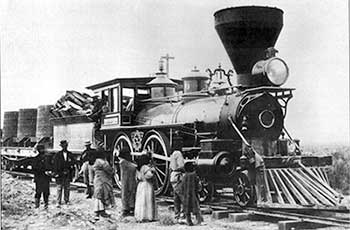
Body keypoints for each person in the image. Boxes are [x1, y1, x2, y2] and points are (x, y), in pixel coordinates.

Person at [93, 149, 115, 220]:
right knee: (102, 195)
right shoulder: (102, 162)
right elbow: (109, 170)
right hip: (103, 180)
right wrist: (113, 171)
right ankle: (99, 212)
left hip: (98, 180)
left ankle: (100, 211)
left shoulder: (96, 161)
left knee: (98, 195)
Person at [134, 154, 157, 222]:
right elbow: (148, 175)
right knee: (147, 200)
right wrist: (153, 170)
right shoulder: (145, 167)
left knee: (141, 200)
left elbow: (138, 177)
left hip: (140, 185)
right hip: (147, 185)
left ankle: (140, 215)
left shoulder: (139, 168)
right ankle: (148, 216)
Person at [53, 140, 76, 207]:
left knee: (67, 188)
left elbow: (73, 163)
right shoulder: (57, 155)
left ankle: (66, 200)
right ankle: (58, 202)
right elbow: (55, 165)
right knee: (59, 188)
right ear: (61, 146)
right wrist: (56, 173)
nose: (65, 147)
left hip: (67, 173)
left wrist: (71, 170)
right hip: (60, 174)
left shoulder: (70, 154)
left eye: (66, 145)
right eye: (63, 146)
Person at [181, 162, 202, 226]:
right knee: (196, 208)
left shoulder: (184, 176)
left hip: (186, 195)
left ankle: (188, 221)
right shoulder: (194, 175)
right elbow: (198, 186)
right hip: (193, 194)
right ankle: (199, 221)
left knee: (187, 209)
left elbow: (182, 186)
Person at [169, 137, 185, 222]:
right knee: (182, 196)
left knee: (176, 198)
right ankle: (183, 215)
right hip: (178, 176)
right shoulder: (178, 153)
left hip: (173, 176)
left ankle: (176, 215)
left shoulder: (173, 154)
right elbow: (181, 166)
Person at [118, 147, 137, 217]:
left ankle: (128, 207)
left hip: (127, 179)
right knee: (128, 192)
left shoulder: (124, 161)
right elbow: (133, 167)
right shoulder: (123, 162)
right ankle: (127, 208)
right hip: (127, 179)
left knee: (128, 192)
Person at [32, 144, 52, 209]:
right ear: (38, 150)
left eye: (43, 149)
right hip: (39, 178)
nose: (42, 150)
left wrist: (50, 171)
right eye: (41, 149)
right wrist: (44, 171)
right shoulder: (35, 159)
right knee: (38, 192)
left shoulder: (47, 158)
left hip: (45, 178)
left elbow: (50, 166)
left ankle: (46, 205)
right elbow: (34, 168)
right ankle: (37, 205)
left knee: (46, 193)